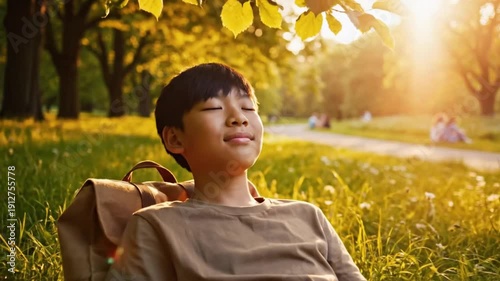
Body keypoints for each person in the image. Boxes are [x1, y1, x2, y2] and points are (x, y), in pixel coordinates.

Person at [106, 63, 366, 281]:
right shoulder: (157, 225)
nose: (239, 118)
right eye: (213, 108)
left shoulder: (308, 216)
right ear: (175, 138)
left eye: (248, 108)